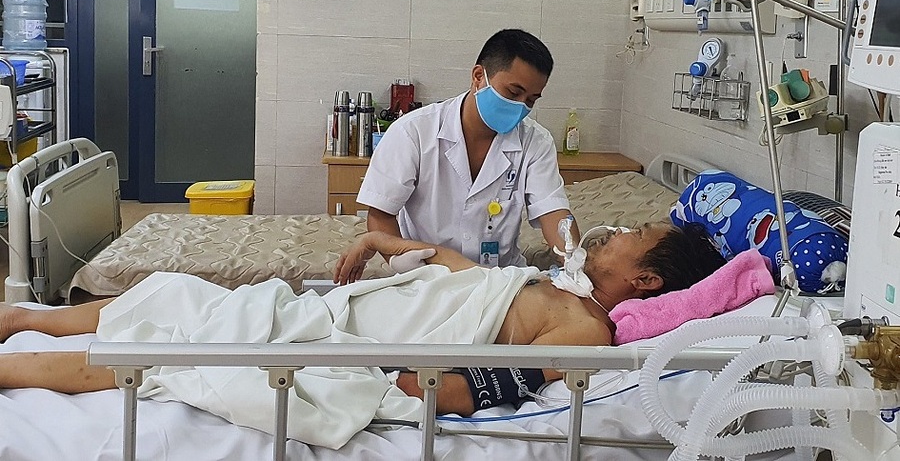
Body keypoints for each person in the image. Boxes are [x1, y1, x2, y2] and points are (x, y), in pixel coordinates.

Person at [0, 222, 724, 420]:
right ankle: (21, 316)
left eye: (635, 234)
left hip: (359, 344)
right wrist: (385, 240)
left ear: (646, 280)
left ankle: (11, 365)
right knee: (173, 289)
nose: (615, 232)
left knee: (176, 351)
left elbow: (506, 380)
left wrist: (415, 388)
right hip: (343, 312)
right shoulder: (560, 287)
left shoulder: (589, 331)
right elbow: (463, 274)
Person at [357, 29, 578, 270]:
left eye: (531, 100)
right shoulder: (413, 132)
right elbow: (381, 213)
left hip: (501, 278)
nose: (520, 106)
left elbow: (554, 213)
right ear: (478, 76)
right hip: (427, 273)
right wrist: (400, 261)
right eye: (513, 92)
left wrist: (575, 261)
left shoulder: (536, 141)